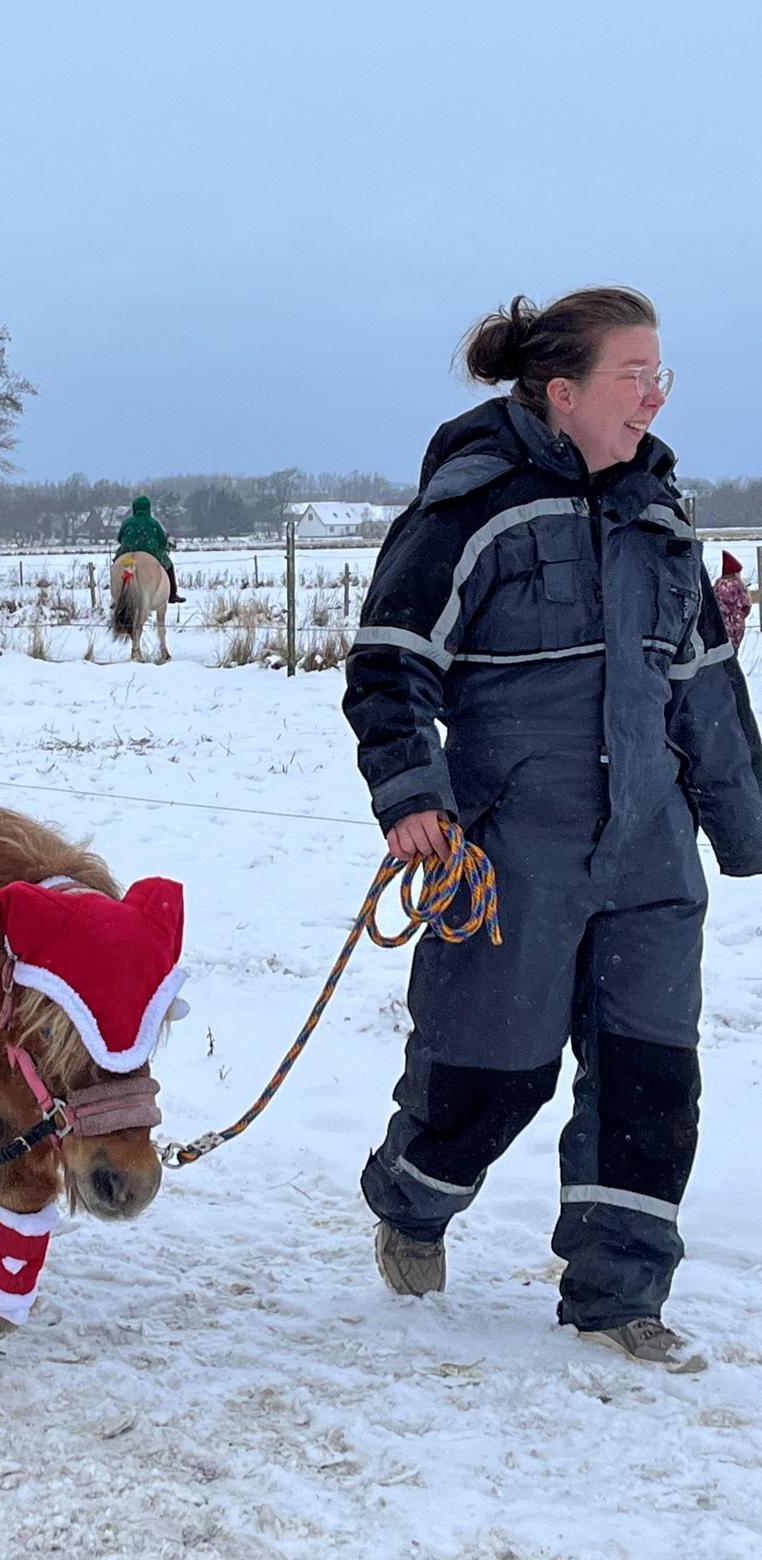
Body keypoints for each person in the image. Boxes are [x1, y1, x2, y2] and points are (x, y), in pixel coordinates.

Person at [344, 288, 762, 1371]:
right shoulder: (472, 507)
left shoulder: (663, 521)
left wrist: (745, 823)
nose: (656, 394)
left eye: (661, 372)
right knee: (492, 1074)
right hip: (509, 853)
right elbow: (391, 659)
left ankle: (620, 1293)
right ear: (565, 392)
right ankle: (414, 1199)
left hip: (650, 856)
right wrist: (412, 794)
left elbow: (704, 689)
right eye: (635, 373)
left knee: (649, 1076)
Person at [115, 494, 184, 602]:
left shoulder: (127, 522)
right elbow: (162, 540)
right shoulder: (154, 522)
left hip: (128, 552)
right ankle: (172, 594)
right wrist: (164, 547)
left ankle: (117, 596)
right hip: (150, 551)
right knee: (169, 566)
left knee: (119, 568)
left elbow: (119, 538)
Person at [713, 551, 751, 652]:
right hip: (734, 626)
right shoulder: (737, 586)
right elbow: (746, 606)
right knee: (732, 654)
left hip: (718, 626)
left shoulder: (717, 585)